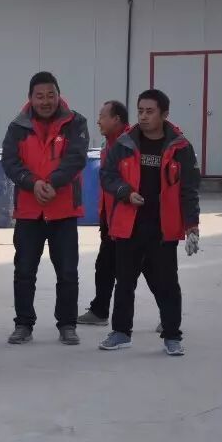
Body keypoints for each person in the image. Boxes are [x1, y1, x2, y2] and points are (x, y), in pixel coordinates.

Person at [99, 89, 200, 356]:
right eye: (140, 111)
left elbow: (189, 189)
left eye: (150, 111)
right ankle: (121, 333)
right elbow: (107, 176)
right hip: (129, 224)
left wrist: (192, 225)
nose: (143, 117)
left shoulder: (180, 147)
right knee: (124, 282)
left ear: (164, 114)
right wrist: (125, 192)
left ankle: (172, 336)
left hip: (163, 227)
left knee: (168, 283)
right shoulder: (125, 143)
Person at [1, 72, 91, 346]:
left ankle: (67, 324)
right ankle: (23, 324)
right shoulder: (17, 126)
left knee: (67, 272)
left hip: (63, 210)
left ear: (59, 95)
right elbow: (10, 162)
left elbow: (76, 158)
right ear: (30, 98)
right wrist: (32, 183)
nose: (45, 101)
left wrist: (53, 182)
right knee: (24, 271)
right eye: (39, 96)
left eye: (51, 95)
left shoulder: (75, 123)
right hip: (29, 212)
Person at [79, 100, 131, 326]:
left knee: (146, 269)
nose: (98, 121)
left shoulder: (130, 145)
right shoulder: (109, 144)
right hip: (110, 217)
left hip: (128, 218)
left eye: (102, 116)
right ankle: (99, 311)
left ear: (116, 119)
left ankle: (167, 316)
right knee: (104, 266)